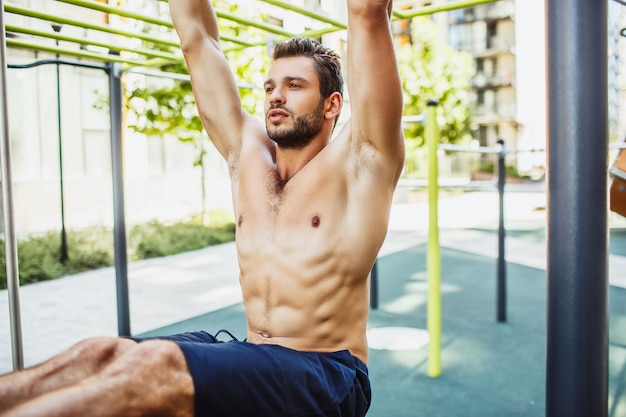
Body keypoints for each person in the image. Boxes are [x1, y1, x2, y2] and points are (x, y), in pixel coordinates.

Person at [0, 0, 404, 415]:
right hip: (254, 353)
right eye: (269, 87)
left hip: (328, 371)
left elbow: (368, 14)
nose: (276, 96)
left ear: (332, 105)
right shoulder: (246, 153)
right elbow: (198, 38)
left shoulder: (361, 162)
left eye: (295, 85)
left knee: (153, 366)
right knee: (97, 355)